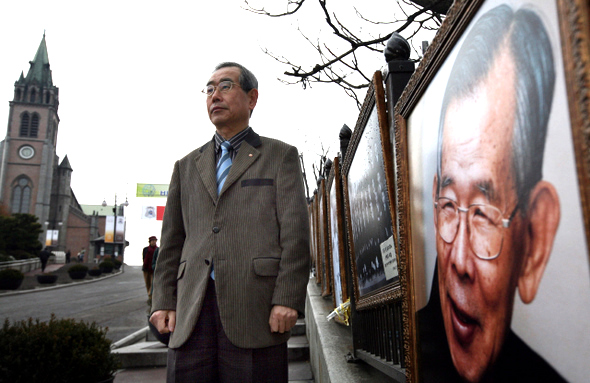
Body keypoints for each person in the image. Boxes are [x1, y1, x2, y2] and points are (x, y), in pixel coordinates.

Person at [418, 4, 565, 382]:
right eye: (449, 205)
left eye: (483, 213)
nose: (460, 262)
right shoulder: (410, 349)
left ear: (535, 242)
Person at [150, 62, 310, 382]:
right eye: (209, 89)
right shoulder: (185, 166)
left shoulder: (280, 156)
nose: (214, 96)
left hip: (255, 309)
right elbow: (172, 242)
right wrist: (162, 302)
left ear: (252, 99)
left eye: (225, 86)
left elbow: (296, 236)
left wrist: (287, 298)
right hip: (190, 309)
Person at [142, 236, 159, 304]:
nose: (154, 242)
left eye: (155, 240)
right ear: (150, 242)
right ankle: (149, 295)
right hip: (146, 269)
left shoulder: (157, 249)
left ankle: (151, 295)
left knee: (153, 283)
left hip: (153, 269)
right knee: (147, 283)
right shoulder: (146, 249)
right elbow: (143, 258)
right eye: (152, 241)